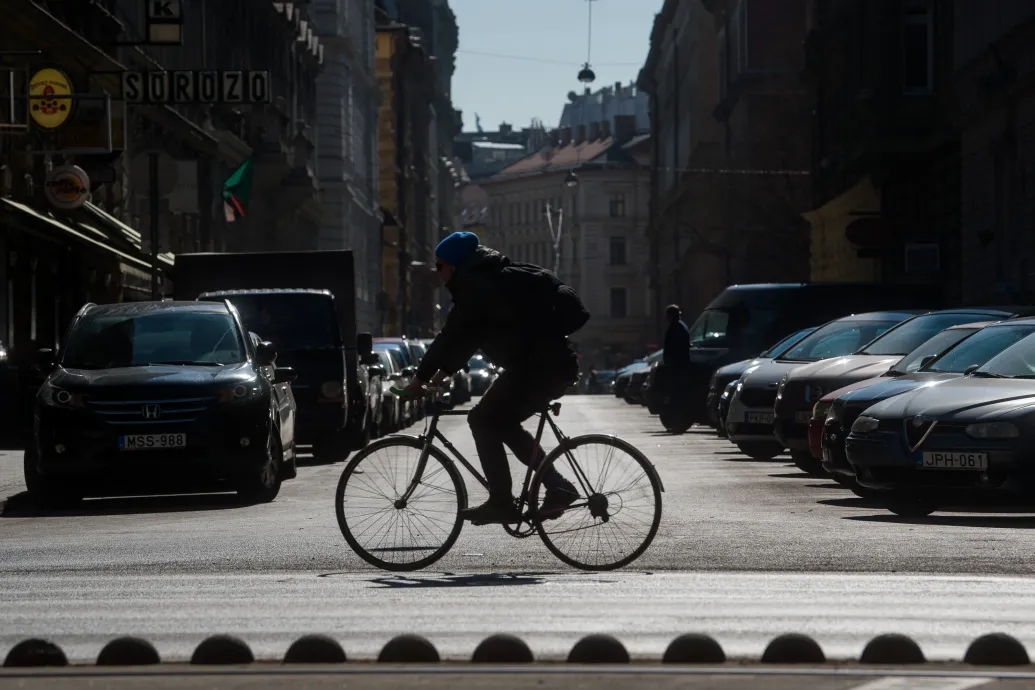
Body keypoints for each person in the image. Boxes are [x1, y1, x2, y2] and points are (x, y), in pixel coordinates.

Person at [401, 231, 582, 525]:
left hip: (539, 368)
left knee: (483, 420)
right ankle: (554, 487)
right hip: (542, 366)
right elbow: (469, 338)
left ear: (454, 265)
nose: (437, 273)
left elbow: (450, 336)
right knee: (499, 422)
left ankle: (505, 501)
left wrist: (419, 380)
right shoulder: (486, 281)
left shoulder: (476, 287)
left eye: (439, 265)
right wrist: (443, 374)